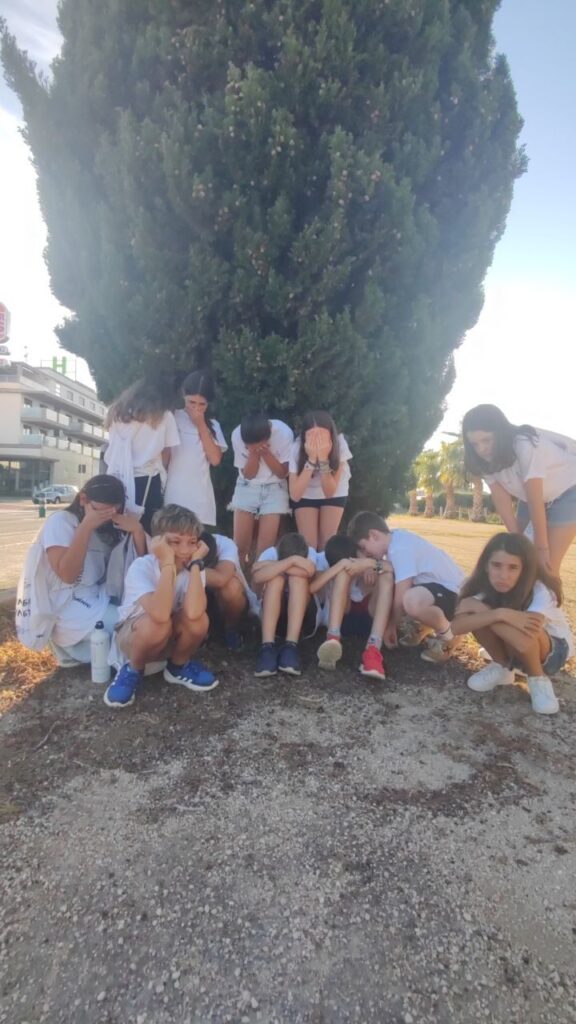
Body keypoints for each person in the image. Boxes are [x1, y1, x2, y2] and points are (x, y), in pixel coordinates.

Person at [16, 475, 146, 666]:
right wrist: (85, 527)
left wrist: (137, 531)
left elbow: (138, 569)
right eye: (99, 511)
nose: (104, 518)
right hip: (67, 605)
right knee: (138, 631)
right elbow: (68, 575)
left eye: (112, 512)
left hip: (99, 597)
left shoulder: (108, 527)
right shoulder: (61, 522)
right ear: (83, 499)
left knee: (148, 619)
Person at [104, 505, 218, 708]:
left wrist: (196, 565)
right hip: (136, 637)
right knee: (158, 624)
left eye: (192, 542)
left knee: (200, 620)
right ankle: (132, 670)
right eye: (175, 542)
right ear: (158, 542)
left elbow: (194, 613)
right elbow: (160, 613)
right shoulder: (142, 567)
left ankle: (178, 666)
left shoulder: (193, 567)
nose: (185, 550)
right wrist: (167, 563)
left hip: (168, 636)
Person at [452, 533, 573, 715]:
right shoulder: (481, 586)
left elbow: (525, 641)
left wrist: (488, 613)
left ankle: (537, 679)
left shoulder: (541, 590)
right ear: (486, 565)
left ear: (525, 569)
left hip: (550, 654)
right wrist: (499, 614)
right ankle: (503, 667)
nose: (503, 575)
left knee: (493, 619)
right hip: (511, 649)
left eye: (513, 567)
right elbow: (456, 627)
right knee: (480, 617)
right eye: (496, 565)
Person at [462, 404, 576, 576]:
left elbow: (535, 498)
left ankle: (550, 592)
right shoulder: (483, 460)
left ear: (500, 433)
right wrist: (517, 542)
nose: (481, 449)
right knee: (517, 557)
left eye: (486, 440)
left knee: (547, 567)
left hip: (569, 491)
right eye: (475, 444)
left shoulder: (524, 445)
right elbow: (500, 497)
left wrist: (541, 548)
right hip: (530, 497)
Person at [347, 512, 465, 663]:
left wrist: (391, 626)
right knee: (407, 596)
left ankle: (450, 635)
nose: (366, 553)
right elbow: (390, 567)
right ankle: (425, 625)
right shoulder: (395, 539)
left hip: (453, 594)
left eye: (364, 548)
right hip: (438, 590)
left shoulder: (400, 548)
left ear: (374, 535)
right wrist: (370, 564)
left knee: (410, 600)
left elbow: (400, 598)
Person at [311, 534, 394, 681]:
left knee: (386, 575)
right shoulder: (326, 557)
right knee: (343, 575)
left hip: (370, 615)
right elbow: (313, 588)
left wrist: (369, 564)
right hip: (344, 616)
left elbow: (390, 568)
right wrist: (341, 566)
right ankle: (333, 638)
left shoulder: (365, 555)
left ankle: (373, 650)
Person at [105, 379, 180, 532]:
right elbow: (167, 451)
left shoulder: (115, 412)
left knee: (116, 528)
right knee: (148, 530)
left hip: (116, 477)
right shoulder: (164, 416)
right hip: (148, 480)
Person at [164, 370, 227, 527]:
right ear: (184, 396)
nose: (196, 408)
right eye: (191, 402)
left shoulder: (213, 425)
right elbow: (164, 458)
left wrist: (200, 424)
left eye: (201, 404)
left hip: (199, 498)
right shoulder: (173, 417)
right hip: (174, 494)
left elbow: (215, 459)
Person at [230, 413, 294, 567]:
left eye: (256, 445)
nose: (251, 448)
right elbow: (248, 475)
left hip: (275, 487)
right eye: (248, 446)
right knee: (239, 548)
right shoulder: (237, 434)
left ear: (267, 438)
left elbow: (282, 473)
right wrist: (253, 455)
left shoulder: (283, 433)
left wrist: (265, 453)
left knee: (265, 552)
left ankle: (259, 582)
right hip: (247, 486)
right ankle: (238, 580)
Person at [251, 533, 317, 678]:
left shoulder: (310, 551)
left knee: (298, 578)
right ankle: (267, 646)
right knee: (276, 580)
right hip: (274, 612)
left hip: (303, 615)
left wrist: (275, 565)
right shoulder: (271, 552)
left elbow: (309, 571)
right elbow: (257, 576)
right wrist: (292, 561)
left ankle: (291, 646)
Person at [288, 411, 352, 551]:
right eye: (311, 435)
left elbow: (329, 492)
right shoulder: (296, 448)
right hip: (306, 491)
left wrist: (323, 458)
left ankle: (325, 566)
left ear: (331, 434)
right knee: (308, 544)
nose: (317, 440)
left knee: (327, 543)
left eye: (322, 435)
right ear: (304, 436)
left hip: (335, 490)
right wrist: (311, 460)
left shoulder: (340, 445)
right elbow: (295, 495)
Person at [201, 530, 256, 650]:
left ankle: (231, 628)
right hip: (190, 597)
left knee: (231, 586)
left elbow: (221, 579)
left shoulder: (224, 543)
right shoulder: (174, 542)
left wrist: (191, 567)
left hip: (221, 600)